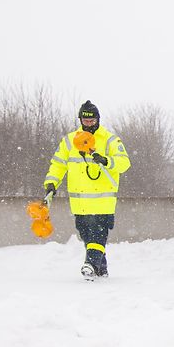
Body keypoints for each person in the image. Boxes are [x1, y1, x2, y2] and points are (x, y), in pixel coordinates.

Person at [42, 101, 131, 280]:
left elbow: (124, 163)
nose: (88, 124)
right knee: (87, 237)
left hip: (102, 201)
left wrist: (106, 160)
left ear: (98, 119)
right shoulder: (69, 141)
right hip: (79, 202)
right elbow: (58, 165)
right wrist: (51, 183)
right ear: (80, 119)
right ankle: (100, 270)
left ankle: (90, 264)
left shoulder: (110, 139)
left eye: (92, 120)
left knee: (98, 235)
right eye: (85, 120)